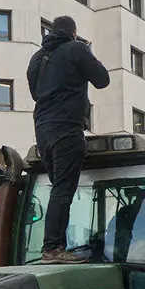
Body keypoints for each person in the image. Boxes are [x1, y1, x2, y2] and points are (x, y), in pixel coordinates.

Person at [27, 15, 111, 264]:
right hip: (66, 126)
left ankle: (55, 246)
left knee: (58, 189)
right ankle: (53, 248)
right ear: (73, 33)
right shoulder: (76, 49)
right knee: (63, 191)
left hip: (42, 130)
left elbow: (36, 93)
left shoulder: (37, 58)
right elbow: (102, 80)